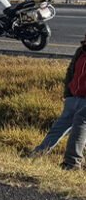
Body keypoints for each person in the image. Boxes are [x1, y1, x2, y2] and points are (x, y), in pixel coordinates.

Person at [27, 32, 86, 169]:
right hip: (74, 98)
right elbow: (70, 72)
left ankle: (71, 164)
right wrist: (68, 94)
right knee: (58, 128)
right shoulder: (80, 51)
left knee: (80, 127)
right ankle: (38, 154)